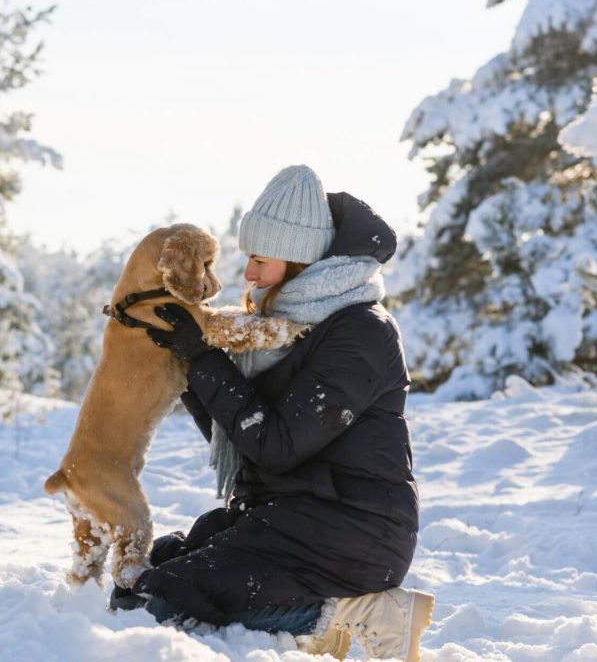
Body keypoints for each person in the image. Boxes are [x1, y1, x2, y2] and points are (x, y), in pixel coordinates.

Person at [111, 165, 434, 661]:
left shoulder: (362, 333)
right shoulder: (281, 324)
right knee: (146, 576)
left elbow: (276, 445)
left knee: (165, 601)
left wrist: (204, 359)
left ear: (300, 260)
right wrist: (184, 360)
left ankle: (362, 618)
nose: (249, 274)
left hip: (354, 531)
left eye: (261, 259)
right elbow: (242, 436)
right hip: (287, 513)